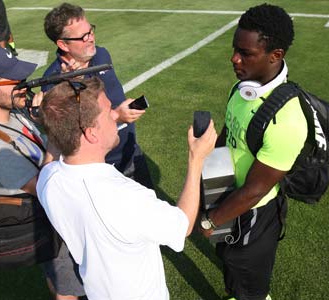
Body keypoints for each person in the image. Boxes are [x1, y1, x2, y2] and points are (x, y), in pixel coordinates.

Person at [37, 77, 217, 300]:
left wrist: (58, 120)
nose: (116, 115)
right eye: (109, 111)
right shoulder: (124, 197)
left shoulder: (48, 178)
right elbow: (182, 226)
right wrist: (196, 159)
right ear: (91, 133)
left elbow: (52, 155)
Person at [199, 4, 308, 300]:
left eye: (245, 53)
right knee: (230, 259)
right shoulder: (242, 88)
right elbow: (228, 134)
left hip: (254, 214)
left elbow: (255, 189)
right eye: (235, 49)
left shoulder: (287, 120)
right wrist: (206, 183)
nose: (234, 59)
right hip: (226, 193)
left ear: (276, 56)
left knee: (249, 278)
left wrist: (212, 219)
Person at [0, 45, 85, 300]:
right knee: (68, 289)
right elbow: (44, 186)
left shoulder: (14, 112)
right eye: (16, 80)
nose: (25, 85)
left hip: (65, 216)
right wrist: (52, 130)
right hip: (48, 226)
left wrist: (68, 87)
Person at [42, 3, 153, 189]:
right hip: (100, 172)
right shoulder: (53, 84)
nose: (91, 38)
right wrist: (117, 116)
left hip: (131, 152)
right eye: (83, 36)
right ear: (62, 44)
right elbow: (70, 138)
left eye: (90, 31)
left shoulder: (101, 55)